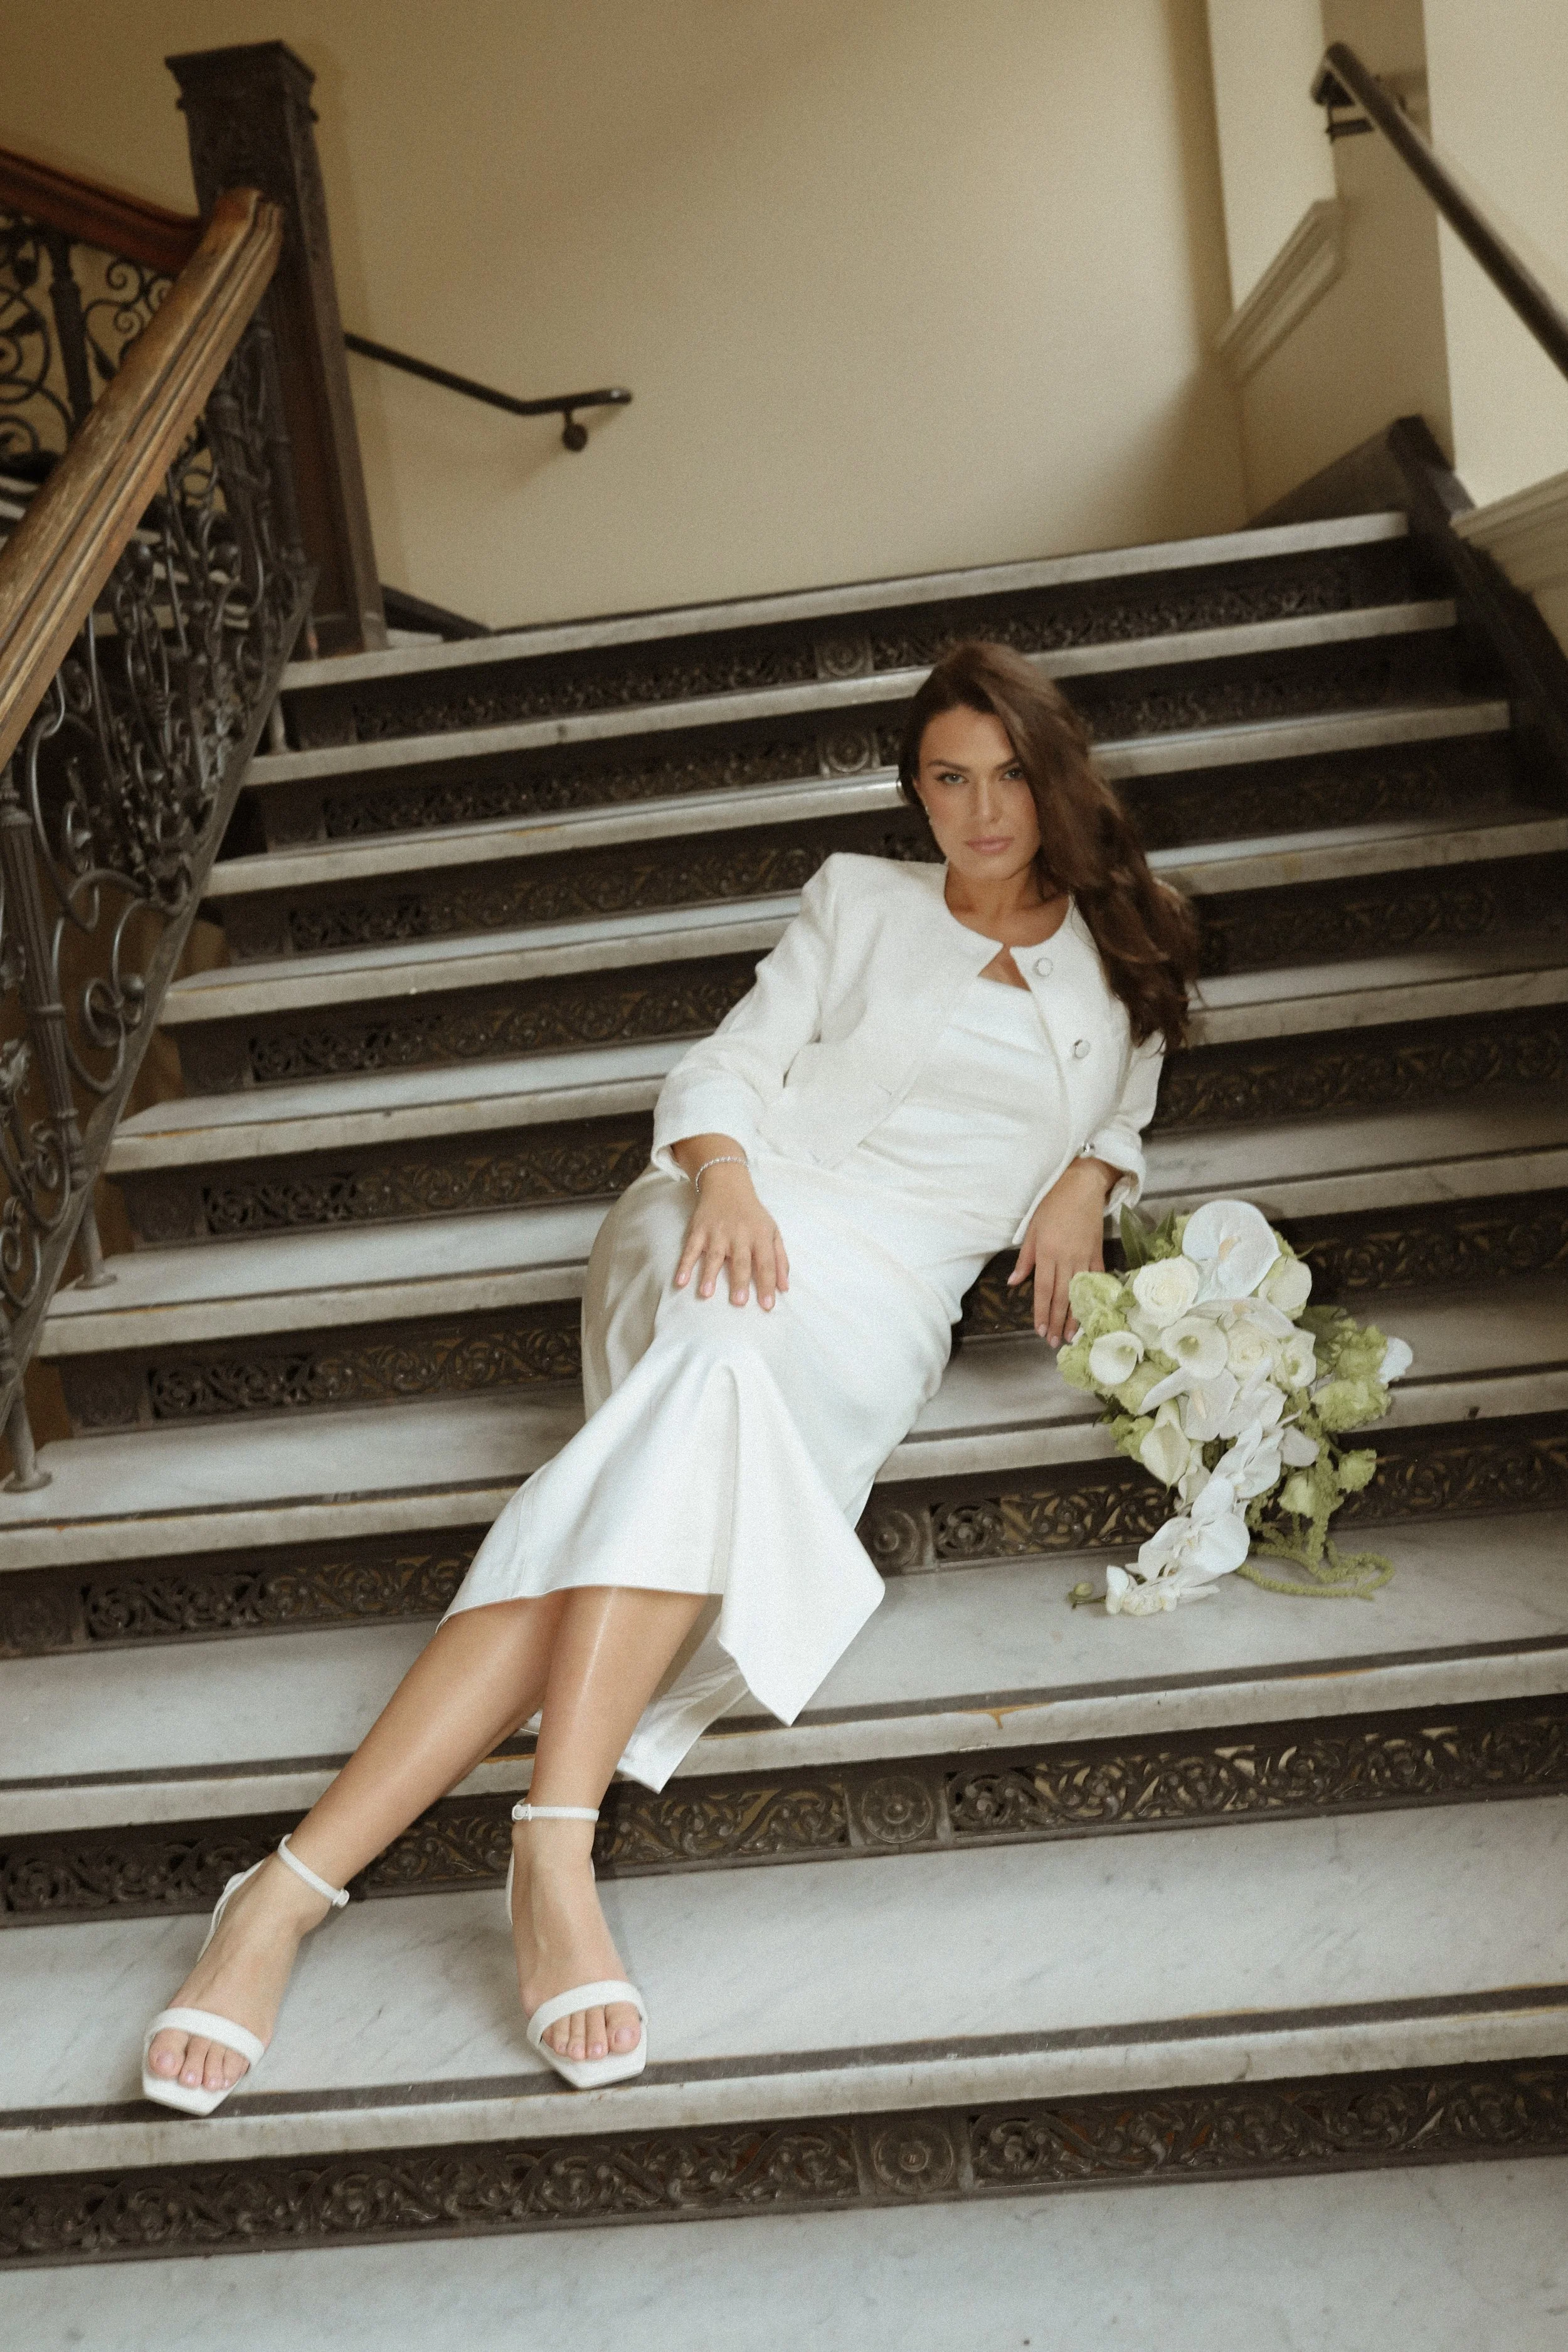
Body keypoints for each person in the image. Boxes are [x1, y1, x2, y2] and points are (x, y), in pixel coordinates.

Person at [140, 639, 1197, 2112]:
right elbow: (722, 1065)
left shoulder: (1131, 941)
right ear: (912, 791)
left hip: (883, 1288)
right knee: (715, 1351)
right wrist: (724, 1179)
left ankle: (283, 1887)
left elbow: (1123, 1098)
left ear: (1053, 772)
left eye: (1006, 774)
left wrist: (1088, 1173)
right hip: (727, 1207)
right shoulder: (857, 897)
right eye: (945, 778)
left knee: (697, 1417)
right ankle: (551, 1845)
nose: (979, 810)